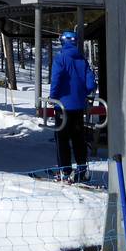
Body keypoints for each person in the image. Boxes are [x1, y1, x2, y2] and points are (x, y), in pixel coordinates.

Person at [49, 30, 96, 183]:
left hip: (62, 106)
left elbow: (56, 78)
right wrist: (82, 93)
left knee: (62, 139)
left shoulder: (61, 58)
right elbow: (91, 83)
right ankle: (82, 170)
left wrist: (53, 97)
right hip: (78, 107)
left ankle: (65, 170)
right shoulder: (82, 59)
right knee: (78, 138)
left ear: (63, 41)